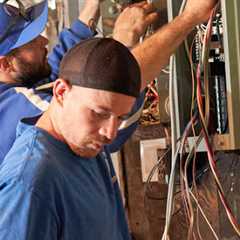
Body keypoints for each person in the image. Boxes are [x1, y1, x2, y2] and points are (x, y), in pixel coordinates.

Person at [0, 0, 217, 239]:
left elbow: (67, 71)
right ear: (5, 63)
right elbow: (99, 84)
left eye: (118, 117)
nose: (110, 131)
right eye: (100, 113)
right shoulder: (29, 183)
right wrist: (186, 19)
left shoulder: (80, 140)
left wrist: (90, 10)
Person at [0, 0, 158, 163]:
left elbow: (57, 69)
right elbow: (99, 130)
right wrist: (123, 45)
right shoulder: (14, 110)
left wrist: (92, 7)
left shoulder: (15, 84)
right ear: (6, 64)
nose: (44, 41)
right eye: (32, 41)